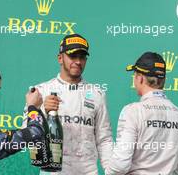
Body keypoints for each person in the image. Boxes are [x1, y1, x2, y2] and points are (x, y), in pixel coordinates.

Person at [26, 34, 113, 174]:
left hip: (88, 170)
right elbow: (27, 132)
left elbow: (104, 139)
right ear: (60, 58)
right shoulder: (41, 91)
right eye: (73, 56)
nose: (78, 61)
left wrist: (111, 171)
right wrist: (41, 110)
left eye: (82, 57)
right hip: (53, 171)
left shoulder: (97, 94)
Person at [105, 52, 178, 174]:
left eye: (135, 75)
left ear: (140, 78)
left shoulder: (132, 111)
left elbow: (120, 165)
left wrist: (109, 171)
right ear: (164, 80)